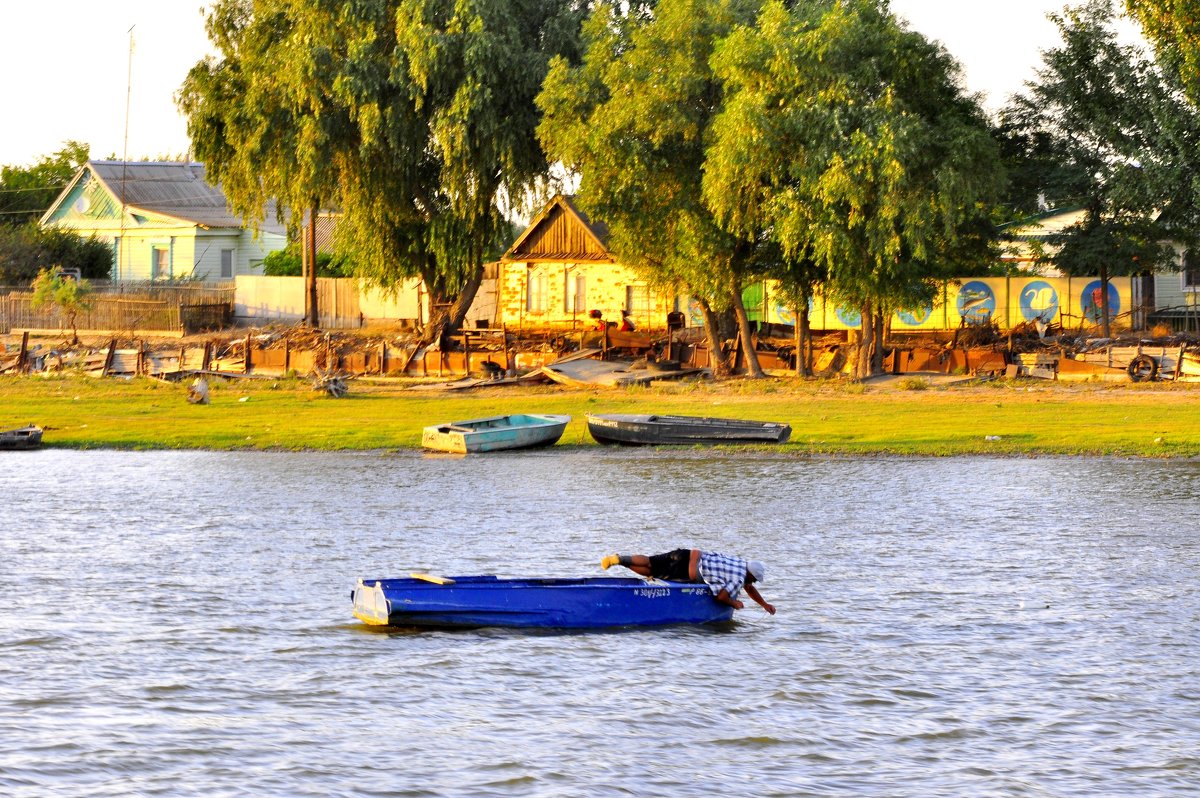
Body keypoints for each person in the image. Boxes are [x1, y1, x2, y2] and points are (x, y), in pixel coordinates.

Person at [600, 549, 775, 614]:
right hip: (688, 572)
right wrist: (734, 603)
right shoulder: (738, 578)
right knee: (653, 573)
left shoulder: (738, 563)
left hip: (689, 554)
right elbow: (720, 597)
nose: (753, 583)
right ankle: (621, 563)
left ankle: (619, 558)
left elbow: (749, 588)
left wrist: (764, 604)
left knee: (650, 562)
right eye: (754, 579)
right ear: (750, 575)